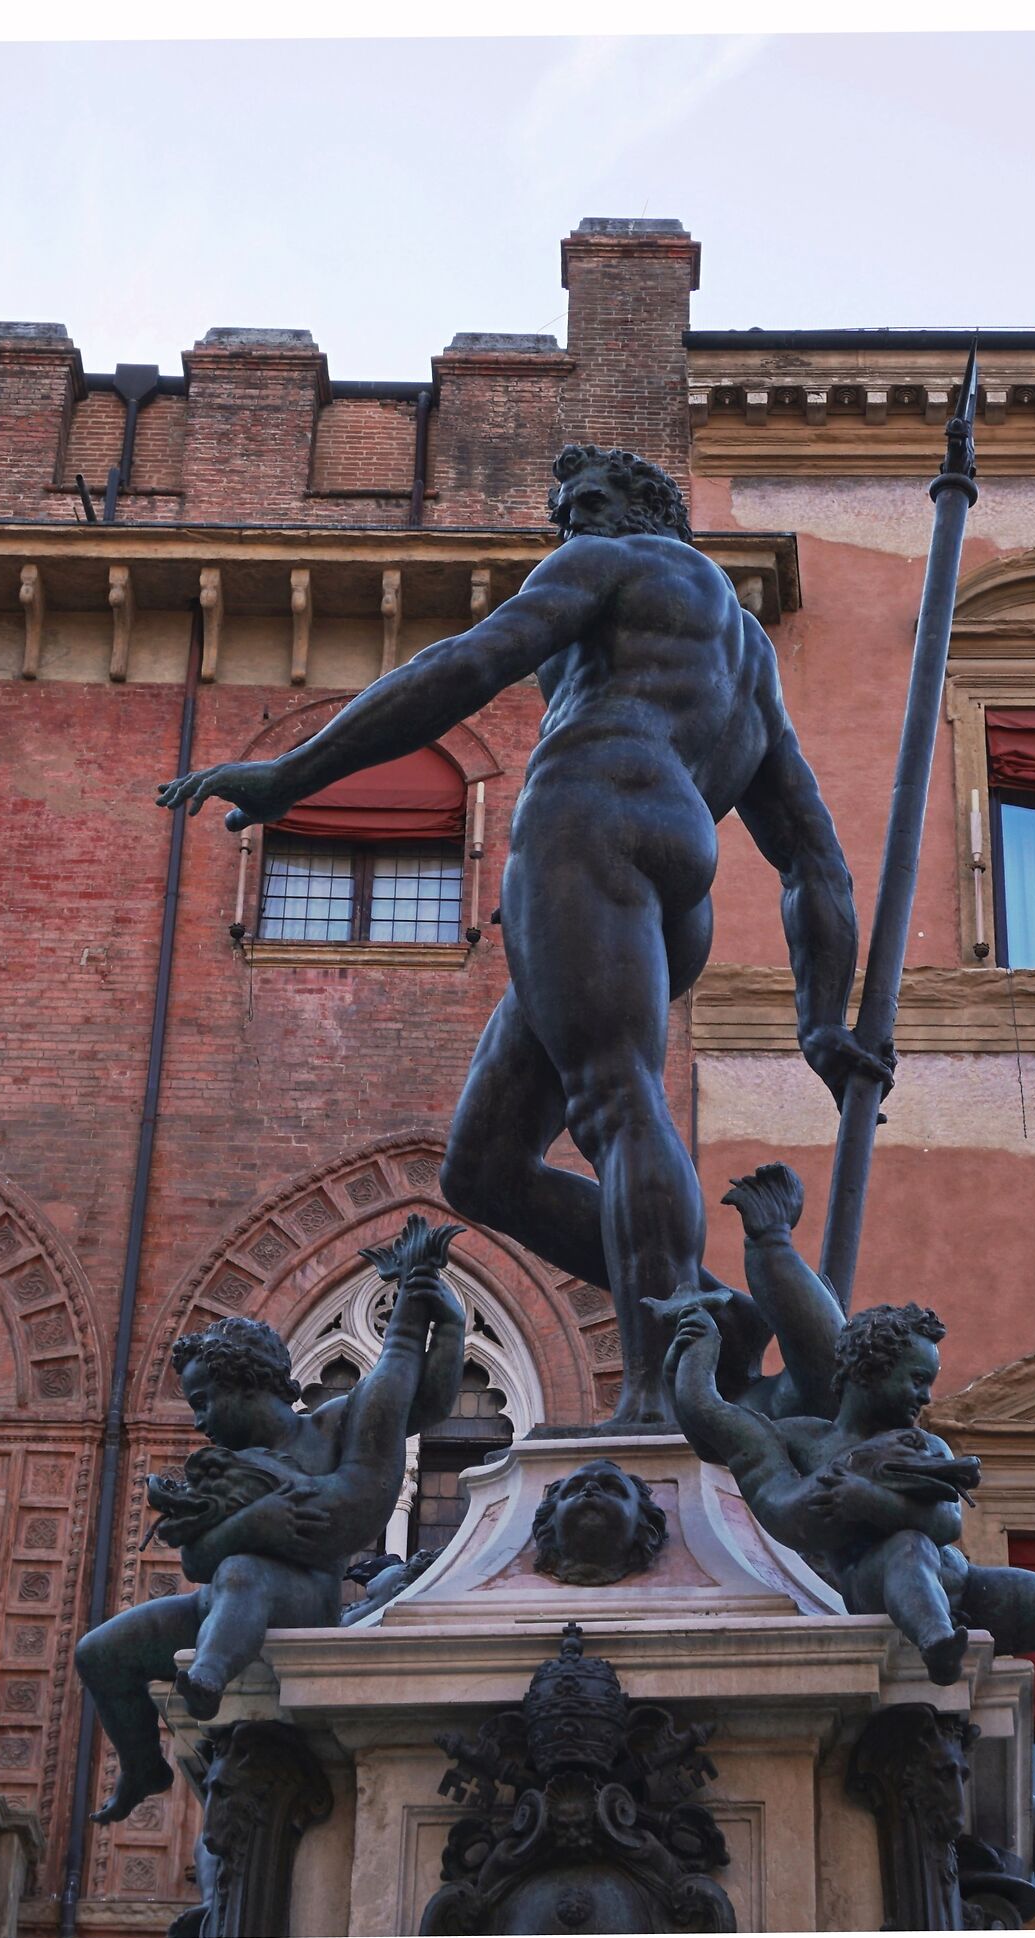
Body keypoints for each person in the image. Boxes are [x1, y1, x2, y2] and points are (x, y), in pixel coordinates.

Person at [158, 444, 886, 1426]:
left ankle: (657, 1391)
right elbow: (813, 857)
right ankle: (718, 1311)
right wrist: (822, 1019)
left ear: (644, 508)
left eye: (586, 503)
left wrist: (296, 773)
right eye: (562, 511)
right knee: (484, 1167)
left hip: (587, 821)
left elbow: (465, 663)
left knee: (617, 1101)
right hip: (678, 875)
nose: (568, 523)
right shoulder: (747, 657)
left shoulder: (612, 560)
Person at [75, 1217, 466, 1822]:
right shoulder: (225, 1469)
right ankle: (143, 1766)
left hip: (305, 1600)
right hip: (220, 1604)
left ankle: (208, 1676)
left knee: (243, 1573)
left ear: (244, 1384)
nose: (199, 1420)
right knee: (99, 1652)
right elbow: (195, 1560)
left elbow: (425, 1400)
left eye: (204, 1401)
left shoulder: (332, 1426)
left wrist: (450, 1329)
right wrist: (256, 1524)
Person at [665, 1295, 1035, 1794]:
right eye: (917, 1379)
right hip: (873, 1581)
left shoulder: (925, 1445)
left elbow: (947, 1523)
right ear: (870, 1370)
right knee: (908, 1546)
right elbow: (714, 1434)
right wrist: (690, 1353)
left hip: (959, 1584)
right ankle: (936, 1642)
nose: (926, 1396)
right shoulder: (805, 1440)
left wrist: (868, 1499)